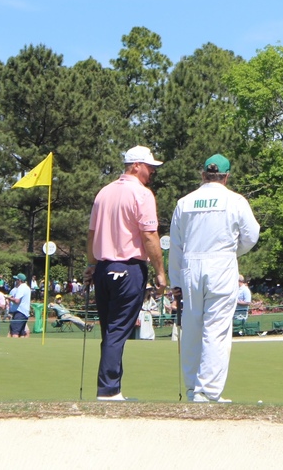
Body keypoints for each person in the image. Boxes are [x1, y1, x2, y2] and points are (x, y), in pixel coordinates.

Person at [170, 153, 259, 404]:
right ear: (227, 177)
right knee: (216, 330)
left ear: (203, 175)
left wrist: (175, 282)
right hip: (221, 264)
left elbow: (176, 245)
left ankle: (191, 389)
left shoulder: (185, 201)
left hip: (190, 265)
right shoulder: (236, 200)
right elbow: (251, 236)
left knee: (192, 328)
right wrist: (232, 251)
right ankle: (207, 391)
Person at [87, 145, 167, 402]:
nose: (151, 171)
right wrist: (160, 272)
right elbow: (149, 235)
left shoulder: (103, 192)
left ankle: (111, 387)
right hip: (128, 268)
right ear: (135, 165)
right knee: (118, 330)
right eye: (148, 166)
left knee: (110, 331)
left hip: (103, 268)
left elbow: (91, 234)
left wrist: (90, 265)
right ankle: (109, 390)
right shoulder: (142, 194)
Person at [8, 273, 32, 338]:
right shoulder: (27, 287)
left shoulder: (21, 288)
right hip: (25, 313)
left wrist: (9, 298)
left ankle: (13, 347)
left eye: (16, 280)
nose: (15, 281)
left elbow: (17, 301)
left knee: (14, 333)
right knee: (22, 334)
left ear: (20, 280)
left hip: (19, 312)